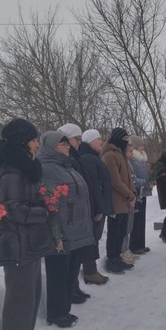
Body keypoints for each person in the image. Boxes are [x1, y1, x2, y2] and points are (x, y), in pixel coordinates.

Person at [0, 118, 57, 330]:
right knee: (19, 300)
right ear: (21, 143)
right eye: (33, 139)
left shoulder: (24, 169)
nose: (37, 144)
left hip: (29, 242)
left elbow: (27, 200)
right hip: (15, 243)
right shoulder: (11, 172)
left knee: (31, 296)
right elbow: (14, 210)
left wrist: (45, 203)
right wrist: (44, 212)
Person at [38, 131, 95, 328]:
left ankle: (65, 308)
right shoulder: (46, 168)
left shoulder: (65, 165)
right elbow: (51, 204)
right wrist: (57, 234)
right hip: (61, 230)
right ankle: (56, 313)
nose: (67, 147)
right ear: (52, 146)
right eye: (63, 144)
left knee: (70, 270)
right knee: (58, 273)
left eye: (66, 144)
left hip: (75, 227)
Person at [57, 123, 99, 302]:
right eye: (76, 139)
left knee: (77, 255)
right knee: (71, 255)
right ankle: (71, 289)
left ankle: (74, 287)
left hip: (80, 211)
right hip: (71, 214)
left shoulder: (75, 157)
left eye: (81, 139)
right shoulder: (67, 159)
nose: (79, 143)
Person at [79, 129, 113, 285]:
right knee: (92, 238)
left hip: (100, 204)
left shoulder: (93, 157)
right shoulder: (87, 158)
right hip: (96, 207)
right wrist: (99, 209)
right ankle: (90, 271)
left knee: (95, 238)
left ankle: (91, 269)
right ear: (90, 141)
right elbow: (93, 186)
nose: (101, 142)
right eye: (98, 139)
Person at [101, 127, 137, 274]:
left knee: (121, 230)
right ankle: (111, 259)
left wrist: (132, 191)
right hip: (116, 200)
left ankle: (117, 257)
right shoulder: (110, 155)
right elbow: (115, 181)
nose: (127, 143)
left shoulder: (121, 154)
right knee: (114, 231)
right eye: (124, 140)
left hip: (124, 200)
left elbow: (127, 177)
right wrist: (130, 194)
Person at [128, 135, 152, 255]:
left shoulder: (142, 159)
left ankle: (141, 243)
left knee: (142, 218)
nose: (143, 147)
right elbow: (132, 176)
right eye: (141, 145)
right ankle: (134, 245)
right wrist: (143, 182)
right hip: (137, 191)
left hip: (144, 191)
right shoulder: (134, 160)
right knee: (136, 219)